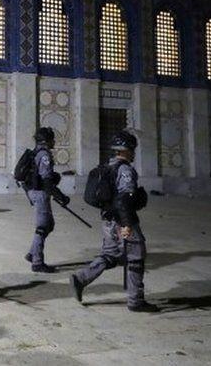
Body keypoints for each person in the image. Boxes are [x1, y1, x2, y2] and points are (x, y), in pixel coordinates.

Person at [70, 131, 159, 312]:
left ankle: (81, 278)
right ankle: (135, 301)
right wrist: (127, 225)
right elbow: (123, 200)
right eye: (132, 149)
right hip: (122, 220)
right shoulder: (125, 170)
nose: (134, 153)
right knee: (136, 256)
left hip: (108, 220)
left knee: (110, 254)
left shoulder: (107, 166)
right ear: (127, 150)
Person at [23, 127, 69, 273]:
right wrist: (61, 197)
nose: (53, 141)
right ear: (46, 140)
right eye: (52, 139)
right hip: (40, 193)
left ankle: (32, 253)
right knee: (42, 226)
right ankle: (37, 262)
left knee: (49, 224)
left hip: (33, 191)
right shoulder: (44, 155)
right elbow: (47, 181)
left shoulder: (35, 152)